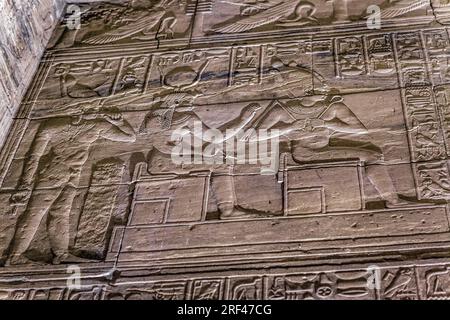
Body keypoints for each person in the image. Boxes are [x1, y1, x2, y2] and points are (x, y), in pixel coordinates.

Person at [6, 104, 136, 265]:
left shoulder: (96, 126)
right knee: (36, 212)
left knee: (61, 212)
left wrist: (119, 122)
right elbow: (34, 156)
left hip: (74, 173)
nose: (90, 111)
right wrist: (25, 183)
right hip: (55, 171)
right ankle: (15, 256)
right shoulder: (55, 126)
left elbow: (131, 138)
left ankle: (61, 254)